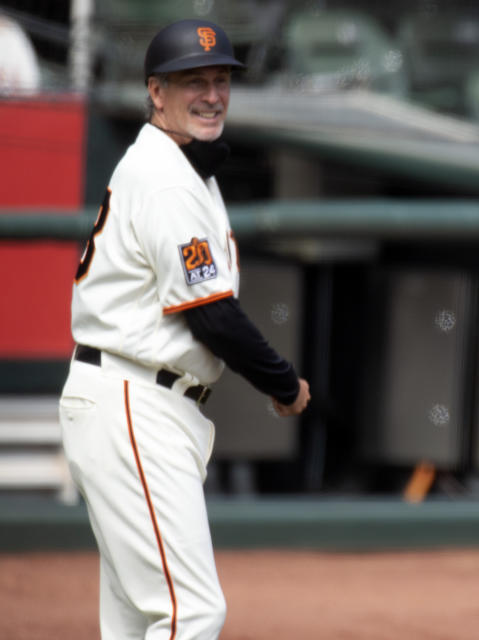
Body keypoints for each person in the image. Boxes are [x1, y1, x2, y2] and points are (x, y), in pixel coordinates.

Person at [58, 19, 310, 639]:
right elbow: (212, 316)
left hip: (133, 400)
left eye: (221, 79)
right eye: (192, 80)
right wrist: (283, 384)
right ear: (155, 91)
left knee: (136, 618)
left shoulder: (180, 166)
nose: (212, 93)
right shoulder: (167, 177)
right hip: (134, 403)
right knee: (190, 612)